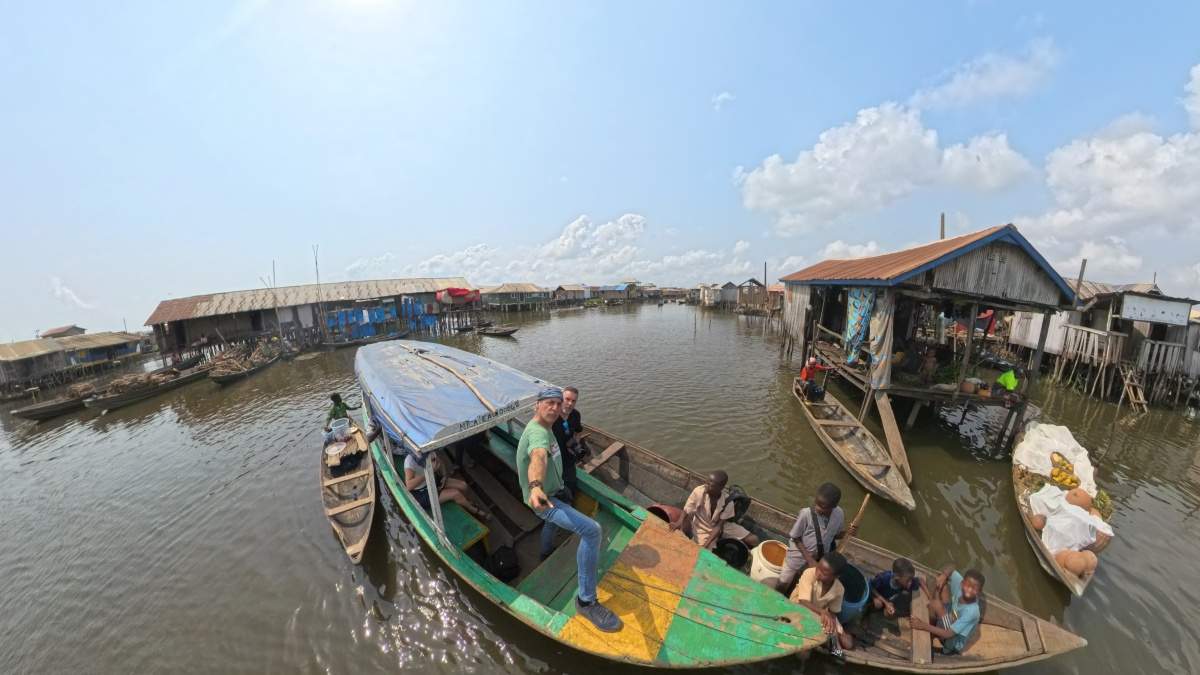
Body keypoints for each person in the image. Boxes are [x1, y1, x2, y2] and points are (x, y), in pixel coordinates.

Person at [518, 387, 622, 633]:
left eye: (558, 403)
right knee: (592, 530)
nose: (555, 407)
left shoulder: (550, 426)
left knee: (554, 525)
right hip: (544, 500)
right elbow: (539, 457)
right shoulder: (537, 432)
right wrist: (535, 486)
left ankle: (544, 551)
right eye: (549, 403)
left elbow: (555, 455)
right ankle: (585, 601)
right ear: (537, 405)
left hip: (556, 491)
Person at [777, 483, 858, 593]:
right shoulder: (806, 514)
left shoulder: (839, 514)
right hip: (798, 556)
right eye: (816, 503)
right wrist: (809, 559)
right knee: (783, 582)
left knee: (803, 583)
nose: (817, 508)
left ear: (833, 506)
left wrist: (847, 533)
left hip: (819, 558)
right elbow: (796, 537)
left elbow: (834, 535)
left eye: (822, 506)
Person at [671, 470, 759, 550]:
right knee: (705, 553)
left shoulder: (728, 502)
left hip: (722, 526)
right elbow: (687, 509)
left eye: (711, 485)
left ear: (721, 487)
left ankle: (734, 543)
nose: (706, 486)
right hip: (702, 524)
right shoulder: (699, 491)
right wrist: (679, 522)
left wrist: (705, 545)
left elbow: (719, 527)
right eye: (707, 482)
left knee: (754, 540)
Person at [790, 551, 855, 654]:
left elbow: (833, 612)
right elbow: (803, 602)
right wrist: (823, 613)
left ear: (836, 577)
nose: (818, 572)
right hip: (800, 607)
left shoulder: (839, 589)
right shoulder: (809, 574)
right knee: (805, 652)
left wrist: (832, 627)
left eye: (824, 573)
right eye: (818, 567)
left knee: (848, 644)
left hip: (820, 612)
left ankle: (840, 637)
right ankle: (830, 644)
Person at [910, 566, 984, 655]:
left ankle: (932, 626)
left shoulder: (972, 611)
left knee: (937, 606)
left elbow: (948, 634)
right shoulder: (960, 584)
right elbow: (951, 568)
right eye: (967, 585)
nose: (969, 590)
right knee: (943, 584)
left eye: (974, 588)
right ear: (962, 583)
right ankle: (933, 608)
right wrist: (944, 576)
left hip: (952, 641)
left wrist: (922, 625)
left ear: (979, 592)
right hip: (952, 615)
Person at [403, 450, 490, 521]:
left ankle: (465, 503)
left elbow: (441, 462)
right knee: (455, 493)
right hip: (422, 492)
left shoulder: (428, 450)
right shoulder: (410, 460)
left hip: (433, 480)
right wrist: (428, 472)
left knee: (463, 485)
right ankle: (475, 511)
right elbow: (409, 485)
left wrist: (444, 476)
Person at [551, 386, 585, 496]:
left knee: (571, 486)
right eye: (567, 399)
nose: (570, 403)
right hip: (553, 460)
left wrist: (576, 443)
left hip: (569, 460)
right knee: (554, 488)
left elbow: (578, 431)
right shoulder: (551, 416)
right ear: (561, 399)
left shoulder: (576, 415)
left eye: (573, 401)